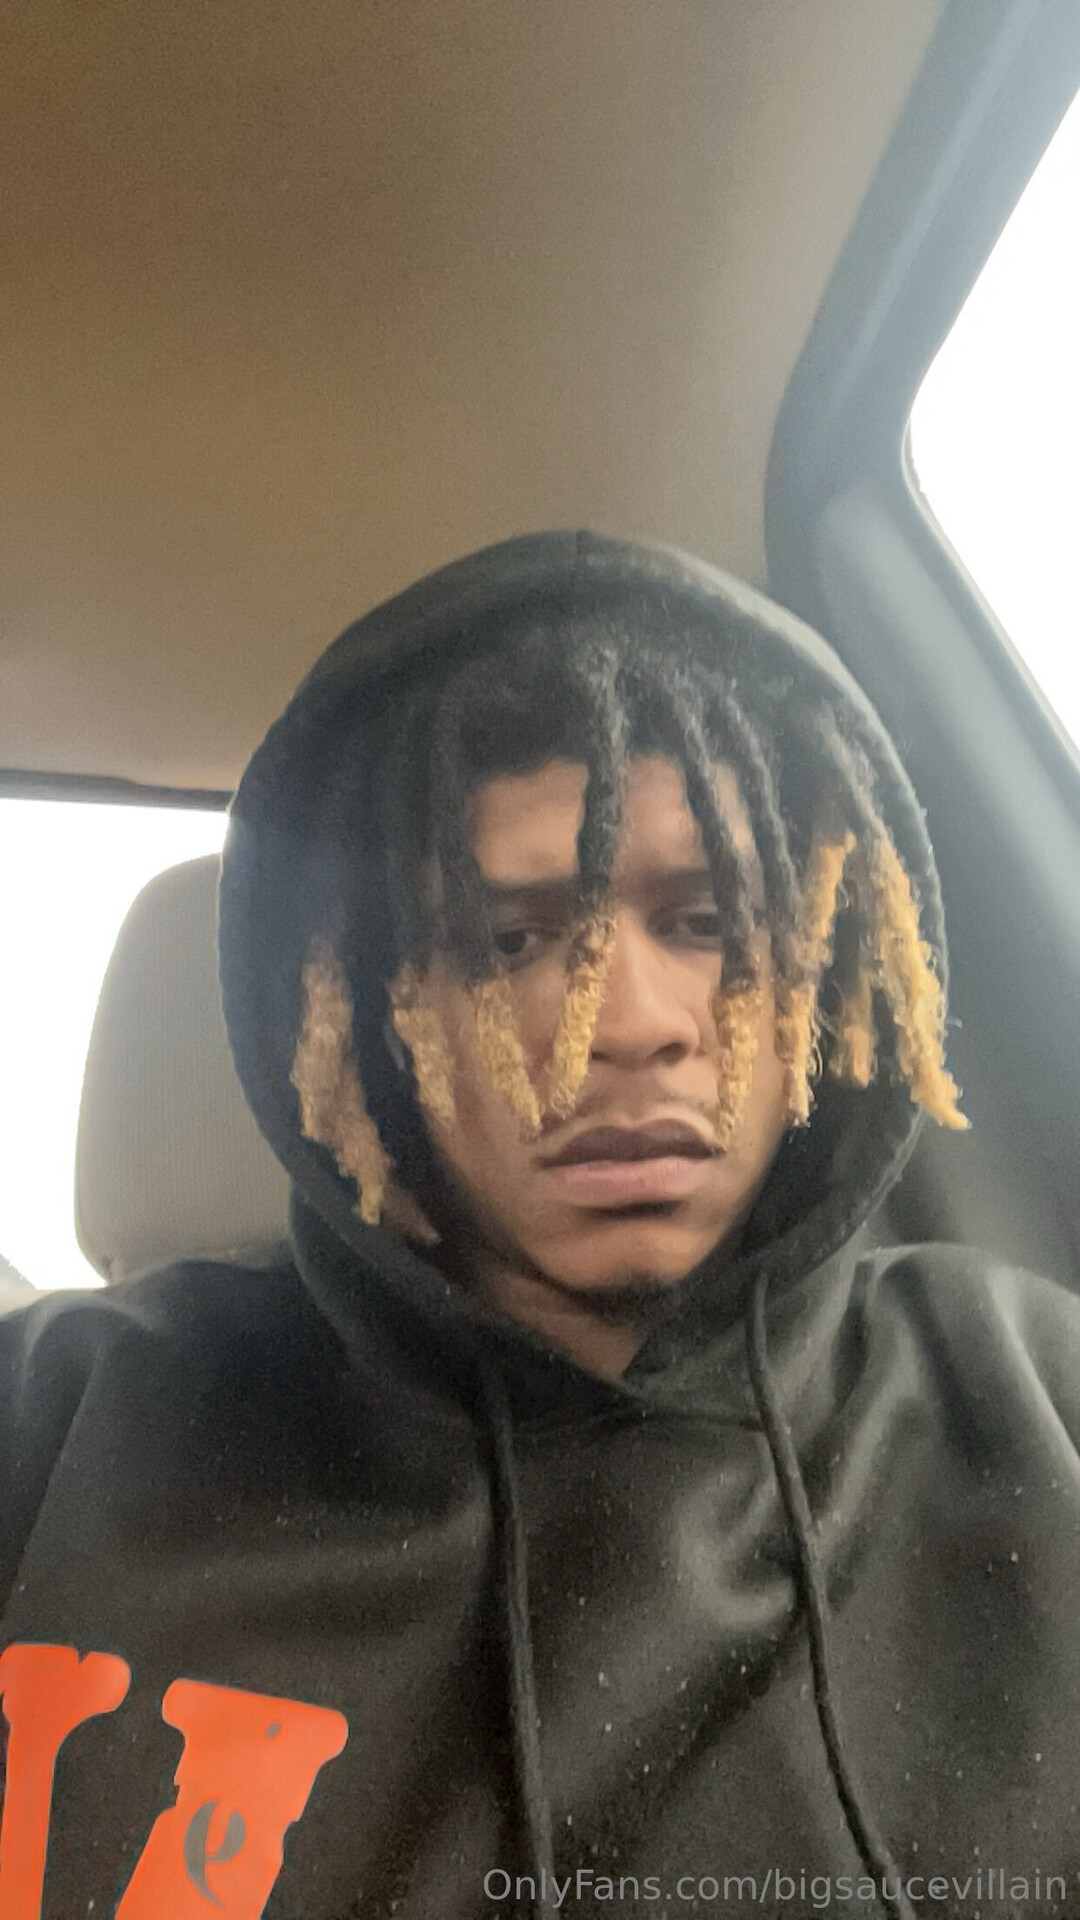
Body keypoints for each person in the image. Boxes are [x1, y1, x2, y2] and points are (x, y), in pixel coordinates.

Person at [1, 530, 1078, 1920]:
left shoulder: (1034, 1397)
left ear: (825, 960)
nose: (629, 1025)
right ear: (364, 1008)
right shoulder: (53, 1419)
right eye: (507, 940)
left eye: (707, 919)